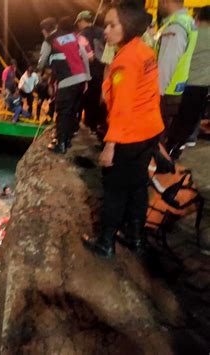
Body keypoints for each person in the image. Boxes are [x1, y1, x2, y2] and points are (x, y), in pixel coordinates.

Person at [82, 3, 165, 259]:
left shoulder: (126, 61)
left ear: (127, 27)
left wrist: (110, 145)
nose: (105, 30)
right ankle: (135, 238)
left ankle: (105, 243)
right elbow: (149, 94)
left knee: (115, 190)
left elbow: (121, 108)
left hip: (129, 135)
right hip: (149, 130)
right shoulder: (143, 51)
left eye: (112, 25)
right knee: (138, 186)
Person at [165, 6, 210, 158]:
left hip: (180, 84)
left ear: (198, 17)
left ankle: (163, 153)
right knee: (186, 125)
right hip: (201, 87)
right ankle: (172, 153)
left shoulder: (190, 32)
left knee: (172, 123)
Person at [43, 16, 90, 154]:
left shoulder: (54, 41)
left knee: (63, 111)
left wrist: (42, 70)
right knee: (73, 110)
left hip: (67, 81)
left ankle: (60, 144)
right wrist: (87, 78)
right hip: (81, 79)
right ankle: (68, 140)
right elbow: (85, 57)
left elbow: (44, 61)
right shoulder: (76, 38)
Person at [155, 0, 198, 133]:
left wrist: (156, 95)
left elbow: (166, 64)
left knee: (155, 138)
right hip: (174, 89)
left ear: (165, 2)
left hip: (164, 92)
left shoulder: (176, 26)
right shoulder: (188, 21)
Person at [75, 10, 107, 134]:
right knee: (100, 101)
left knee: (87, 101)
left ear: (83, 21)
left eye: (78, 22)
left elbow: (79, 57)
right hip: (103, 72)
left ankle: (89, 127)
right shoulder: (103, 32)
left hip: (88, 73)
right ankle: (99, 128)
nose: (78, 25)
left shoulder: (81, 36)